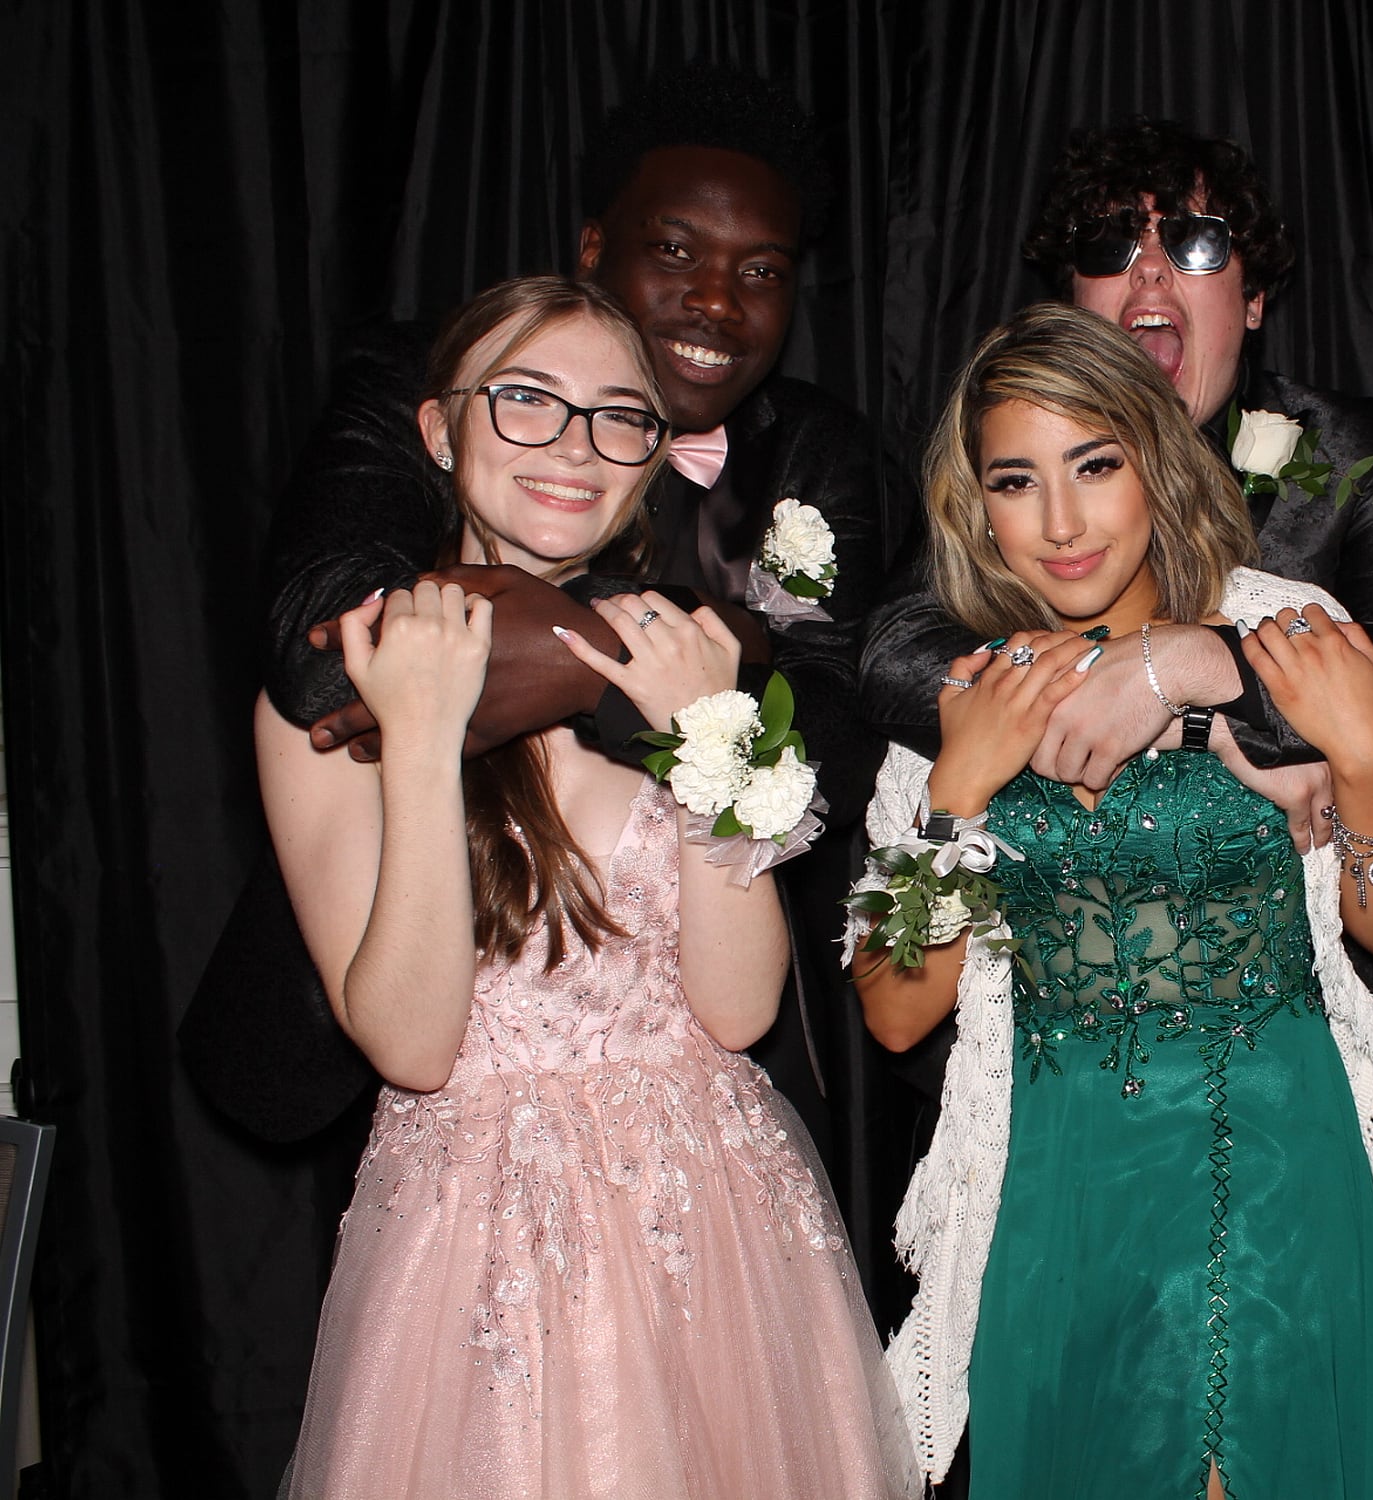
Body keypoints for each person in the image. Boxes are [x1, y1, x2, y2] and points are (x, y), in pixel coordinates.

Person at [857, 117, 1373, 1493]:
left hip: (1278, 1159)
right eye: (1016, 483)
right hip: (1053, 1177)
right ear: (977, 510)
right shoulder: (965, 688)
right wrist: (956, 794)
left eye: (1095, 466)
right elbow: (898, 1014)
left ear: (1157, 465)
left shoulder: (1286, 630)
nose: (1061, 521)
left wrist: (1358, 760)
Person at [263, 276, 916, 1498]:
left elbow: (739, 1012)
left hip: (720, 1222)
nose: (574, 446)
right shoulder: (344, 682)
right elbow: (410, 1044)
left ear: (652, 455)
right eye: (527, 400)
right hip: (483, 1246)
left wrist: (710, 735)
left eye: (620, 416)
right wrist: (420, 739)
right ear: (440, 429)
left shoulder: (687, 653)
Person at [187, 67, 892, 1186]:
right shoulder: (421, 379)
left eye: (760, 270)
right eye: (675, 250)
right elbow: (321, 649)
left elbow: (838, 740)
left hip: (706, 1142)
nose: (572, 445)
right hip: (455, 1139)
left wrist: (686, 710)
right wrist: (650, 655)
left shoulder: (814, 450)